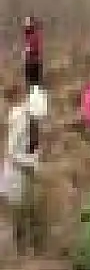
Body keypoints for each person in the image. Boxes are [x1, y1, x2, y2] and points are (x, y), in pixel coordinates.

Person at [3, 87, 43, 253]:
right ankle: (20, 245)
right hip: (16, 172)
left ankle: (31, 242)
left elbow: (33, 146)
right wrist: (29, 163)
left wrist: (34, 159)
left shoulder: (32, 122)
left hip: (26, 170)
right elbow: (11, 152)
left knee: (30, 206)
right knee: (19, 209)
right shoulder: (21, 122)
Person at [20, 16, 42, 89]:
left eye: (28, 22)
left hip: (34, 61)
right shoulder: (27, 34)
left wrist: (29, 50)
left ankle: (35, 92)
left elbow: (36, 47)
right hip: (28, 60)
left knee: (35, 82)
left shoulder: (35, 34)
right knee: (29, 81)